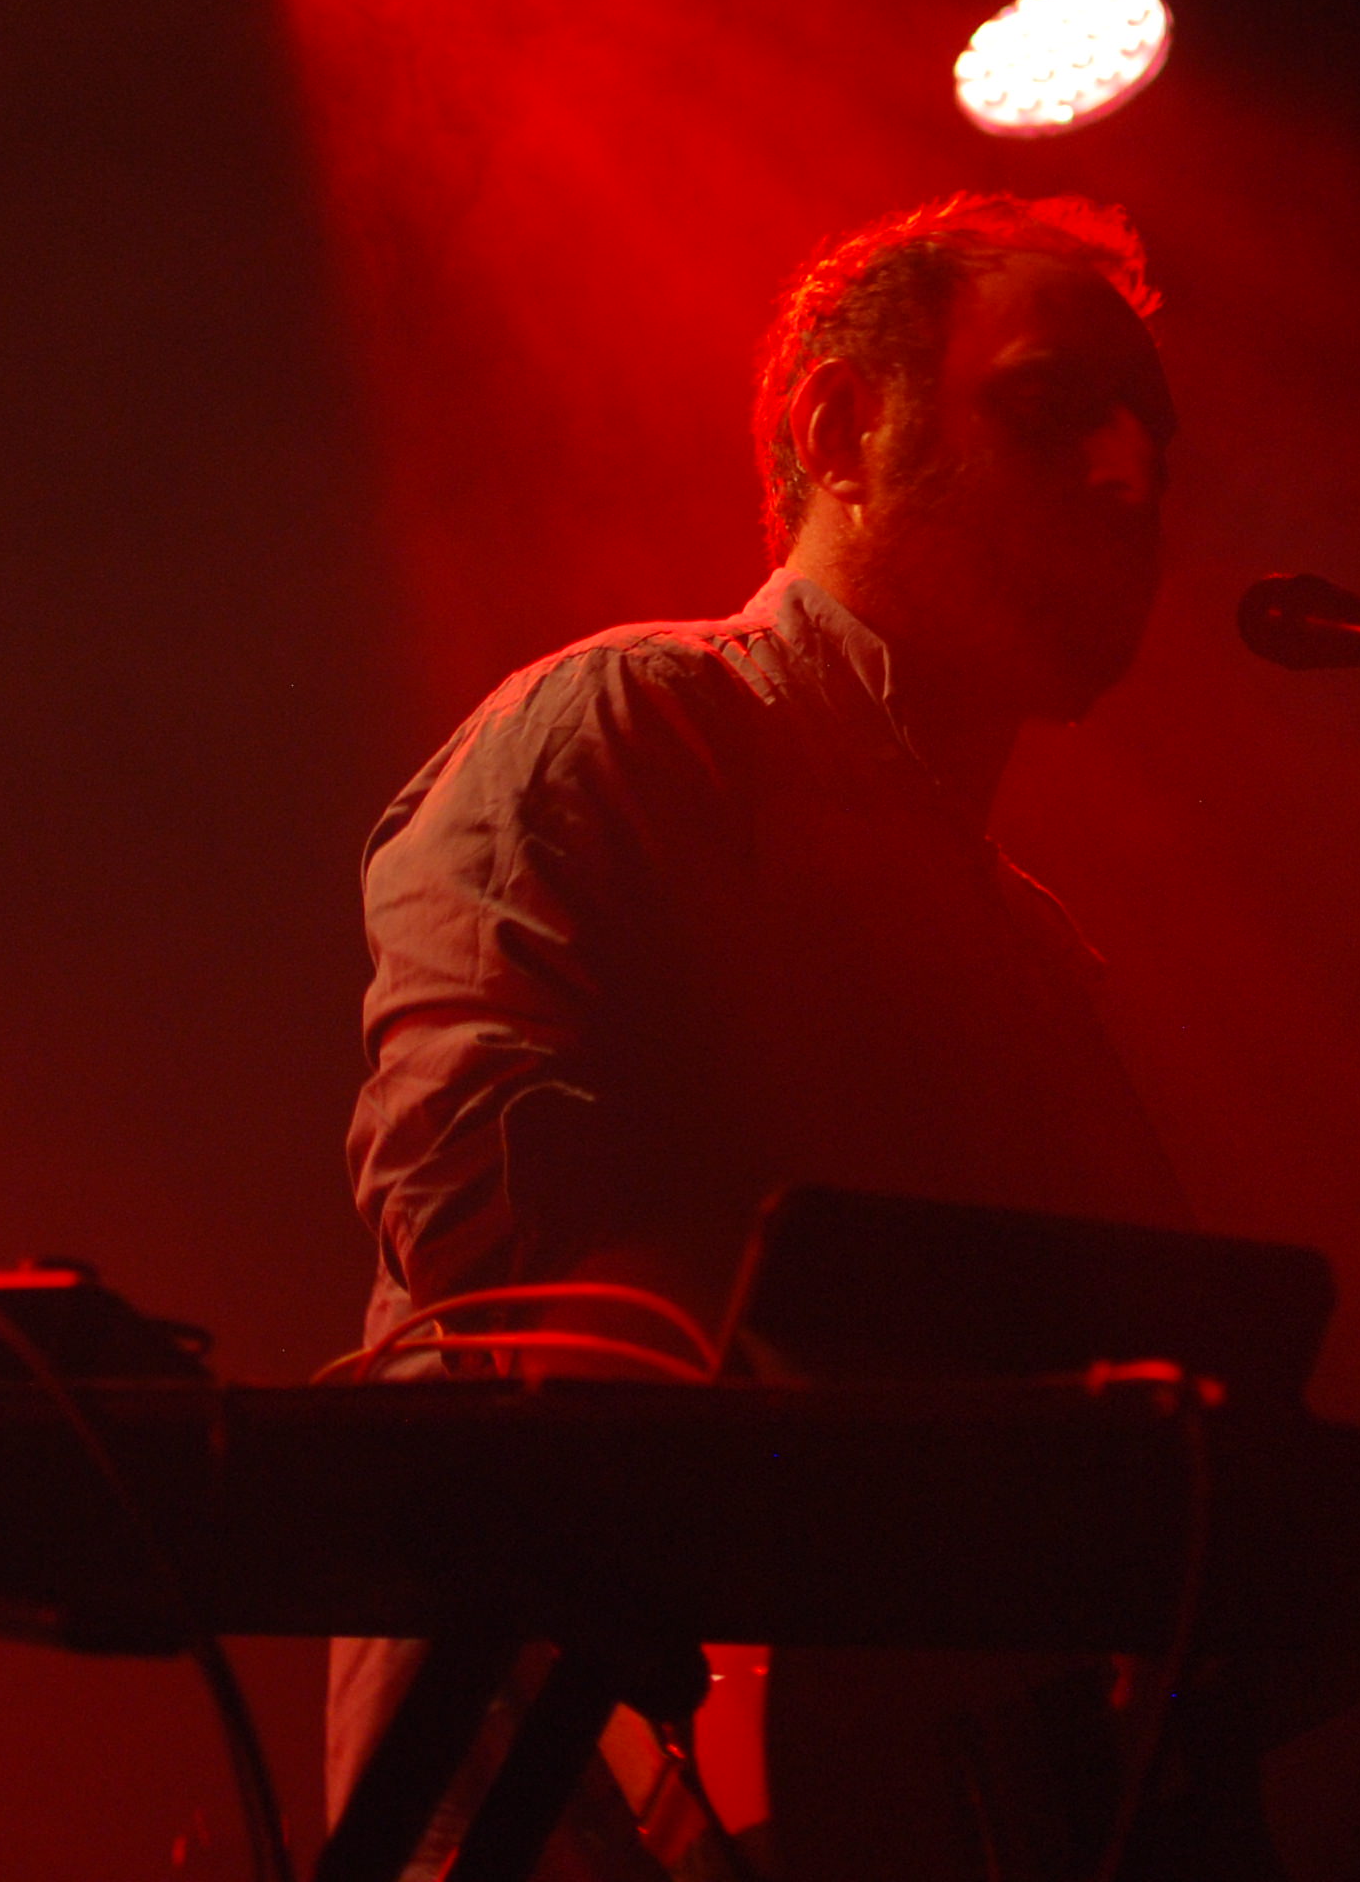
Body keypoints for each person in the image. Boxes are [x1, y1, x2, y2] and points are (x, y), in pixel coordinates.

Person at [332, 192, 1203, 1863]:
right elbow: (498, 1213)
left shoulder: (1031, 946)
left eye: (1151, 437)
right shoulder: (631, 725)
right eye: (1052, 408)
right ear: (841, 429)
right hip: (609, 1779)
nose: (1126, 473)